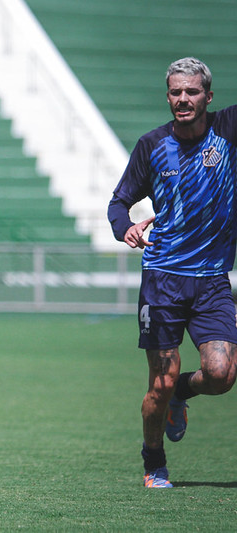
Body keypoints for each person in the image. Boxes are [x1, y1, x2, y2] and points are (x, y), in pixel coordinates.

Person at [108, 57, 237, 488]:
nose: (183, 99)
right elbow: (118, 202)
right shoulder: (152, 146)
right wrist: (124, 227)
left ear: (209, 97)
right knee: (158, 386)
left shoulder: (229, 131)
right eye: (175, 92)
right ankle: (153, 461)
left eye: (192, 91)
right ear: (168, 96)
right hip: (162, 279)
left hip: (213, 280)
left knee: (220, 375)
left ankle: (184, 392)